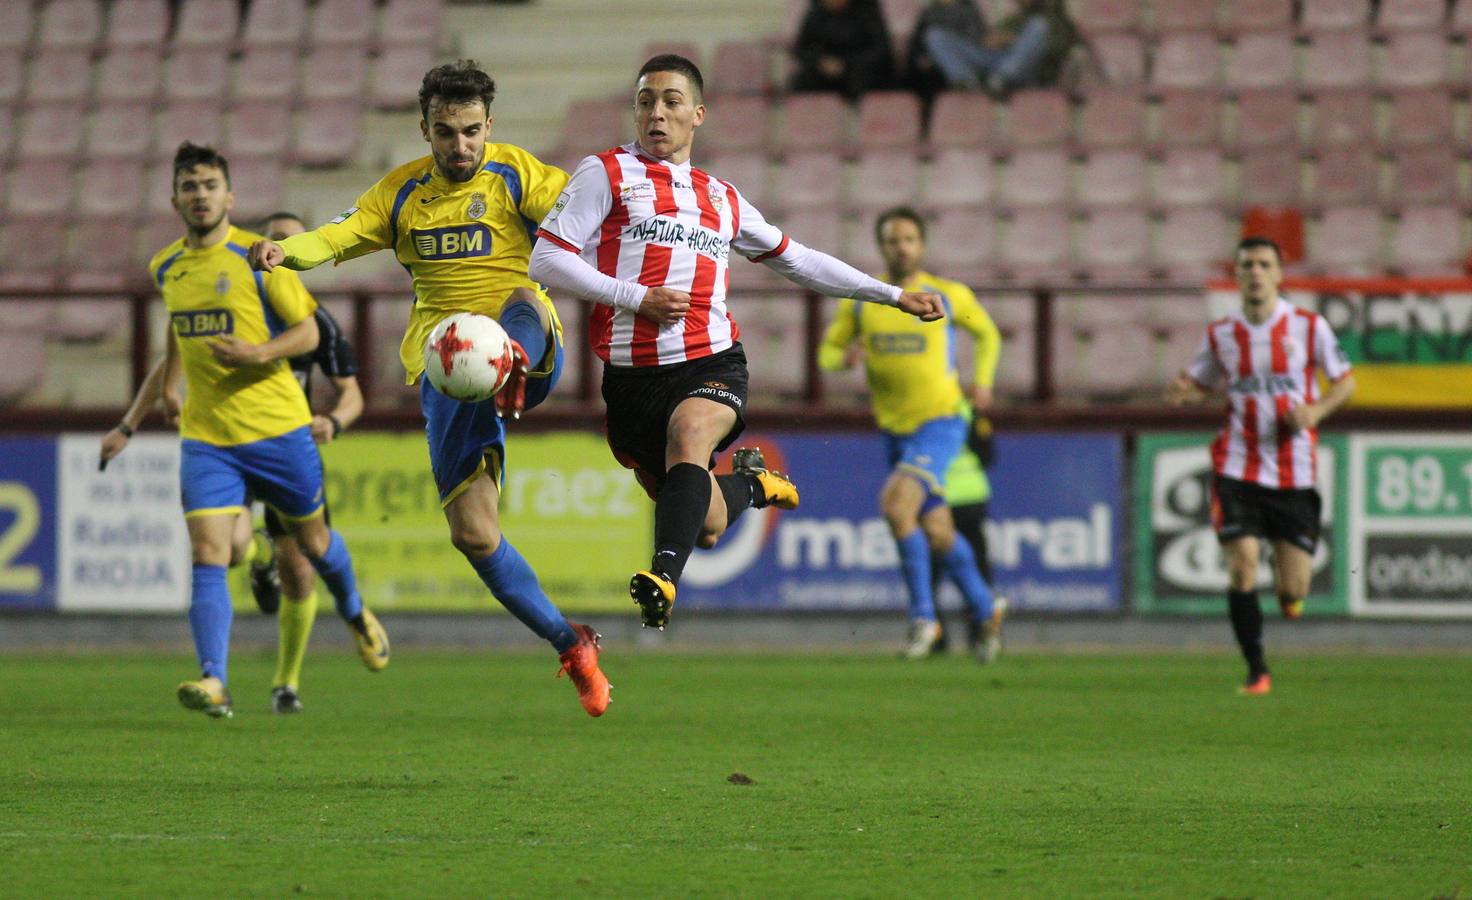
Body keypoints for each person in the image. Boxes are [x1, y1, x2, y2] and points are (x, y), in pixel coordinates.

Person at [528, 55, 945, 632]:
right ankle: (752, 483)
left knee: (691, 433)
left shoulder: (720, 196)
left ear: (697, 114)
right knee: (710, 522)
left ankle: (662, 578)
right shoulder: (605, 174)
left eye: (672, 101)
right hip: (631, 380)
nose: (657, 113)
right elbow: (546, 258)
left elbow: (797, 259)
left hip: (711, 358)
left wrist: (891, 295)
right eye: (646, 100)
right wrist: (634, 296)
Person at [246, 60, 610, 717]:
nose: (460, 145)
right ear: (425, 130)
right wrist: (288, 251)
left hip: (526, 342)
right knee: (473, 534)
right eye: (446, 132)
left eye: (471, 130)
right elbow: (338, 236)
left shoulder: (514, 174)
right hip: (447, 370)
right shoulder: (401, 193)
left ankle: (512, 361)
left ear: (488, 126)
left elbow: (586, 206)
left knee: (524, 291)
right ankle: (571, 643)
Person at [100, 142, 390, 720]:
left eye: (210, 185)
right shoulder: (166, 266)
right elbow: (179, 336)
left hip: (280, 431)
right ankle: (215, 680)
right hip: (208, 439)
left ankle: (355, 611)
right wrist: (165, 392)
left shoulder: (256, 258)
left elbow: (307, 333)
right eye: (190, 186)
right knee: (208, 553)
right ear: (175, 198)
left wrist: (257, 352)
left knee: (312, 546)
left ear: (228, 197)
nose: (200, 195)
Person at [1166, 237, 1355, 696]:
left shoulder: (1309, 328)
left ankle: (1290, 596)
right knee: (1242, 567)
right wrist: (1186, 393)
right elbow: (1200, 384)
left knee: (1294, 589)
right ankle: (1257, 670)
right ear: (1236, 274)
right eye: (1246, 264)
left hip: (1295, 472)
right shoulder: (1221, 335)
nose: (1254, 271)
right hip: (1237, 466)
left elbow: (1345, 383)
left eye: (1263, 264)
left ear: (1279, 273)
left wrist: (1315, 412)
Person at [817, 206, 1004, 660]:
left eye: (908, 239)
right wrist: (844, 359)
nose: (900, 247)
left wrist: (983, 382)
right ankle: (986, 605)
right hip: (895, 430)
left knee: (896, 507)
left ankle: (924, 619)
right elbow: (826, 352)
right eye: (891, 240)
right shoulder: (864, 300)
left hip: (940, 421)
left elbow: (989, 335)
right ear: (881, 247)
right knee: (936, 528)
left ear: (921, 245)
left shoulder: (949, 294)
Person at [922, 0, 1079, 96]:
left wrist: (1016, 41)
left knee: (1039, 26)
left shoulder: (1058, 21)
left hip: (1027, 71)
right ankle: (966, 81)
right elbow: (988, 42)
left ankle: (1002, 79)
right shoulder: (1012, 20)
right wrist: (993, 40)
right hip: (996, 64)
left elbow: (1056, 50)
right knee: (935, 35)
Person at [789, 0, 896, 101]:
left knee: (865, 81)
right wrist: (820, 61)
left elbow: (881, 50)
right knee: (802, 83)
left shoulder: (867, 8)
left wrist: (846, 64)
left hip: (860, 68)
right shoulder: (816, 10)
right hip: (826, 69)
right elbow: (802, 48)